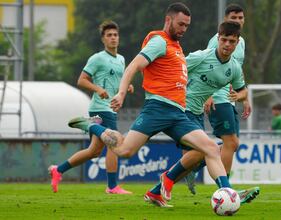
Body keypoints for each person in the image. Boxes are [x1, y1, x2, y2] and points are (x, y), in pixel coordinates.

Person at [68, 2, 239, 208]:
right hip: (157, 109)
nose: (184, 29)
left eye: (187, 26)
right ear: (168, 20)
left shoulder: (176, 47)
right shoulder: (159, 41)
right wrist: (121, 92)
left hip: (177, 113)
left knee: (211, 148)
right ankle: (92, 126)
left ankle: (227, 193)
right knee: (124, 151)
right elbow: (134, 65)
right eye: (180, 24)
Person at [146, 21, 259, 207]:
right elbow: (174, 70)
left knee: (199, 154)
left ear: (237, 42)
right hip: (181, 109)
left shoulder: (234, 68)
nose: (227, 45)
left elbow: (243, 89)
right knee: (204, 149)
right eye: (224, 40)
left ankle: (156, 191)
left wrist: (240, 95)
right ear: (218, 38)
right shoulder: (201, 57)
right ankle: (227, 191)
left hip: (196, 112)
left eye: (232, 41)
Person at [48, 20, 133, 194]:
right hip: (100, 108)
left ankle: (59, 170)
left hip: (110, 108)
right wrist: (97, 89)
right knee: (115, 142)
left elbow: (114, 84)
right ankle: (112, 186)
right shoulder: (97, 58)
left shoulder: (121, 59)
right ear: (103, 39)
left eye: (115, 35)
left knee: (93, 151)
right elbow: (81, 80)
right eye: (109, 35)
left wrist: (125, 88)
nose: (113, 38)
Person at [184, 4, 251, 195]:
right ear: (225, 20)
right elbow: (207, 65)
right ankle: (226, 190)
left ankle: (192, 168)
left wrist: (244, 97)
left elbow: (237, 69)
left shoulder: (241, 42)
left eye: (240, 18)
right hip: (218, 98)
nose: (237, 21)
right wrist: (209, 96)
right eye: (233, 18)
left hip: (230, 98)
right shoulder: (217, 40)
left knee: (232, 144)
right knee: (230, 143)